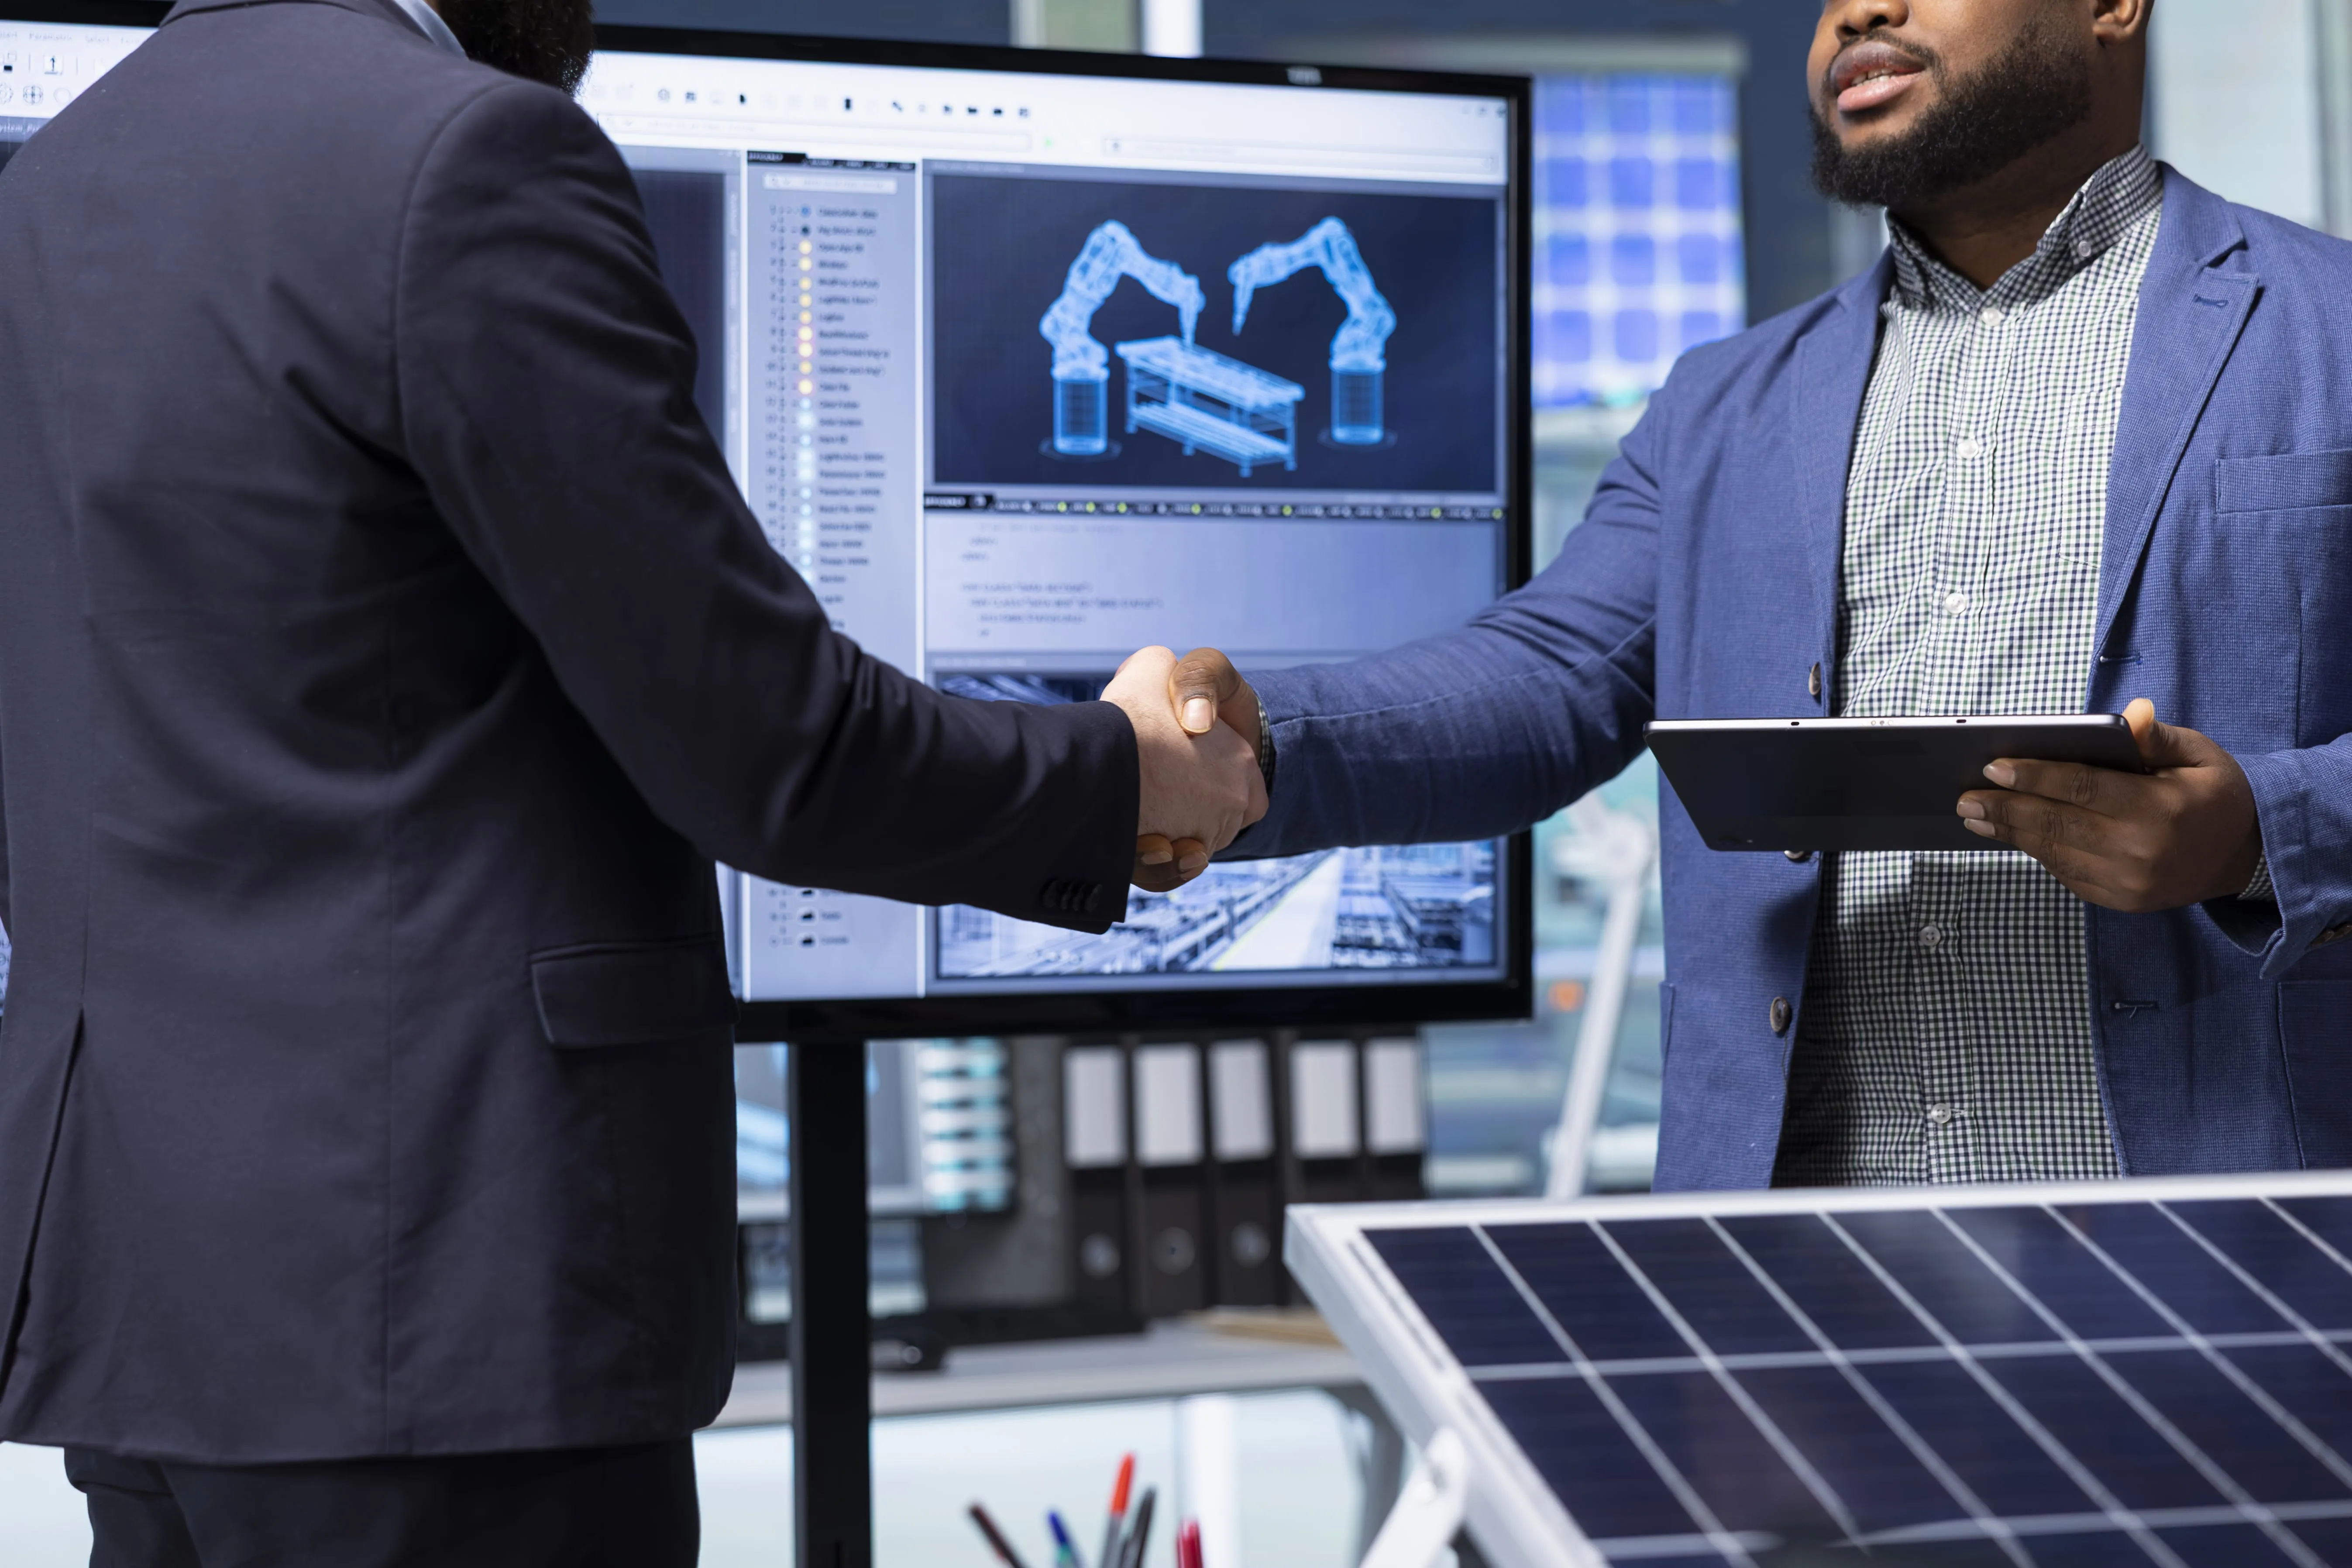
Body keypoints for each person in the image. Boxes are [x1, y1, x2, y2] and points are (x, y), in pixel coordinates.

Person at [0, 0, 1261, 1560]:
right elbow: (764, 739)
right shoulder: (465, 156)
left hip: (148, 1304)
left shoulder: (51, 181)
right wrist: (1124, 778)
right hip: (442, 1301)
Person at [1146, 0, 2352, 1191]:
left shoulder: (2327, 331)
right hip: (1798, 1287)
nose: (1853, 15)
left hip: (2230, 1270)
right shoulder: (1719, 406)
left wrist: (2261, 833)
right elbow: (1542, 681)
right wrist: (1253, 743)